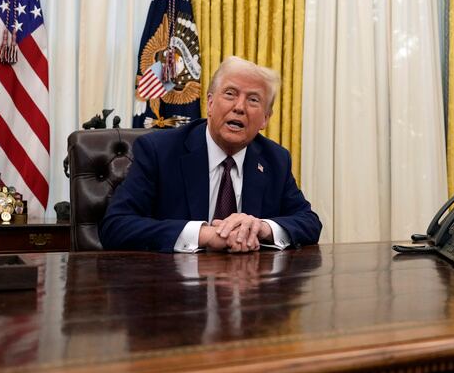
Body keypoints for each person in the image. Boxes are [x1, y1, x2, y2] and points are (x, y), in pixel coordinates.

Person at [100, 56, 321, 252]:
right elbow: (115, 226)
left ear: (265, 119)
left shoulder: (275, 159)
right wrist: (204, 235)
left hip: (249, 289)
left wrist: (260, 228)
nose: (240, 107)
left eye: (253, 100)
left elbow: (309, 222)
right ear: (210, 103)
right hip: (173, 289)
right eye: (230, 94)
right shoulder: (159, 151)